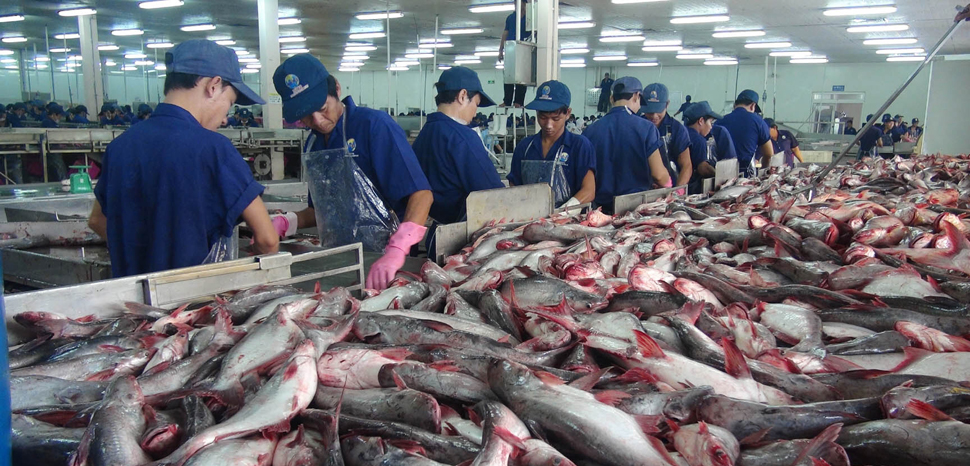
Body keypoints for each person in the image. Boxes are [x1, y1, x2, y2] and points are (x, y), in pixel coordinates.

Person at [87, 39, 279, 277]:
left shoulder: (119, 147)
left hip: (131, 303)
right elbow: (268, 240)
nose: (224, 120)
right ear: (213, 85)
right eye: (228, 104)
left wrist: (142, 256)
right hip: (192, 307)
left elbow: (96, 220)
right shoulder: (213, 148)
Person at [270, 53, 433, 290]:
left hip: (386, 264)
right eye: (305, 116)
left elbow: (422, 195)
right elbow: (320, 211)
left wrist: (397, 251)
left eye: (322, 108)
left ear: (336, 88)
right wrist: (288, 221)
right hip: (337, 262)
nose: (317, 121)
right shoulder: (313, 145)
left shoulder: (374, 126)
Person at [413, 66, 503, 242]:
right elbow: (492, 194)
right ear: (463, 96)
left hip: (434, 234)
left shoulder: (425, 133)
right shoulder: (462, 137)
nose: (475, 112)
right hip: (461, 239)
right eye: (476, 104)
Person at [582, 76, 670, 213]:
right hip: (636, 210)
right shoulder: (646, 128)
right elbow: (659, 175)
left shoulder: (590, 130)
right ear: (636, 96)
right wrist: (669, 181)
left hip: (600, 211)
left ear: (612, 99)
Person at [507, 80, 596, 208]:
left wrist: (565, 210)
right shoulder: (525, 147)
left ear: (568, 114)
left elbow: (589, 190)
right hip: (530, 220)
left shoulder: (580, 146)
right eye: (542, 118)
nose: (548, 125)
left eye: (555, 119)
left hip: (569, 222)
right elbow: (514, 185)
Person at [641, 83, 692, 191]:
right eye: (649, 111)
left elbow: (686, 165)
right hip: (641, 191)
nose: (654, 116)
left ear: (667, 104)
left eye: (658, 110)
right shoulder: (637, 127)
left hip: (670, 189)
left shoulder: (677, 129)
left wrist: (677, 191)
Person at [715, 89, 772, 177]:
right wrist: (763, 173)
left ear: (735, 105)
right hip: (745, 175)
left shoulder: (719, 121)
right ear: (753, 106)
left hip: (720, 174)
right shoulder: (758, 121)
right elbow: (769, 154)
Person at [683, 101, 721, 195]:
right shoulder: (699, 140)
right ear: (701, 121)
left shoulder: (681, 134)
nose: (711, 127)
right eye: (710, 122)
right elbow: (703, 168)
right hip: (690, 190)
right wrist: (719, 175)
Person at [498, 0, 530, 108]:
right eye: (515, 3)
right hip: (510, 49)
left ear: (525, 4)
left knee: (522, 76)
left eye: (520, 3)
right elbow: (505, 33)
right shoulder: (510, 18)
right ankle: (507, 100)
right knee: (508, 76)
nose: (517, 6)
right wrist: (500, 50)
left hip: (524, 48)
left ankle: (519, 101)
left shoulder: (530, 17)